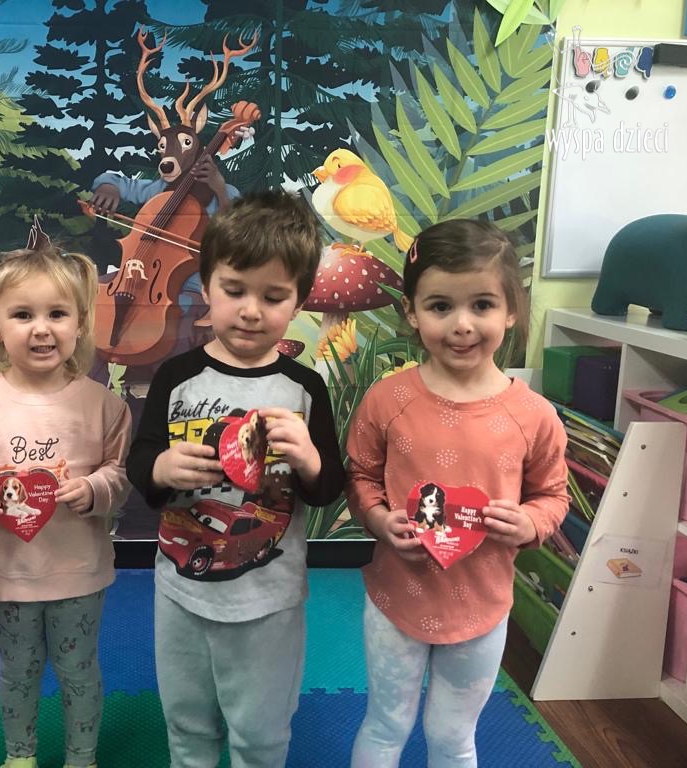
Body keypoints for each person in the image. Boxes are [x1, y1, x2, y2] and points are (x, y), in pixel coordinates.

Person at [125, 189, 345, 768]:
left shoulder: (305, 388)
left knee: (261, 735)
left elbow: (328, 487)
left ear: (298, 301)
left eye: (273, 297)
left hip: (269, 600)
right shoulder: (175, 376)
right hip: (181, 592)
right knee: (188, 727)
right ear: (207, 286)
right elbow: (139, 461)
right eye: (235, 290)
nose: (251, 311)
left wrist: (310, 460)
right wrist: (161, 468)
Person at [346, 219, 569, 768]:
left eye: (482, 305)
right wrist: (378, 521)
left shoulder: (534, 416)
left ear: (511, 310)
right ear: (411, 311)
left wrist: (530, 522)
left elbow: (553, 495)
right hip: (397, 600)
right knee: (386, 725)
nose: (462, 325)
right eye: (440, 306)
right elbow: (361, 477)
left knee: (453, 737)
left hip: (482, 607)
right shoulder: (387, 399)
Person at [0, 245, 132, 768]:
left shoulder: (104, 404)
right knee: (17, 670)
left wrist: (96, 489)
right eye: (22, 315)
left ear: (80, 323)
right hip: (5, 570)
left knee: (78, 670)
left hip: (79, 570)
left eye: (57, 314)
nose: (41, 329)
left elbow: (122, 471)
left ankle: (81, 757)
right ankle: (20, 755)